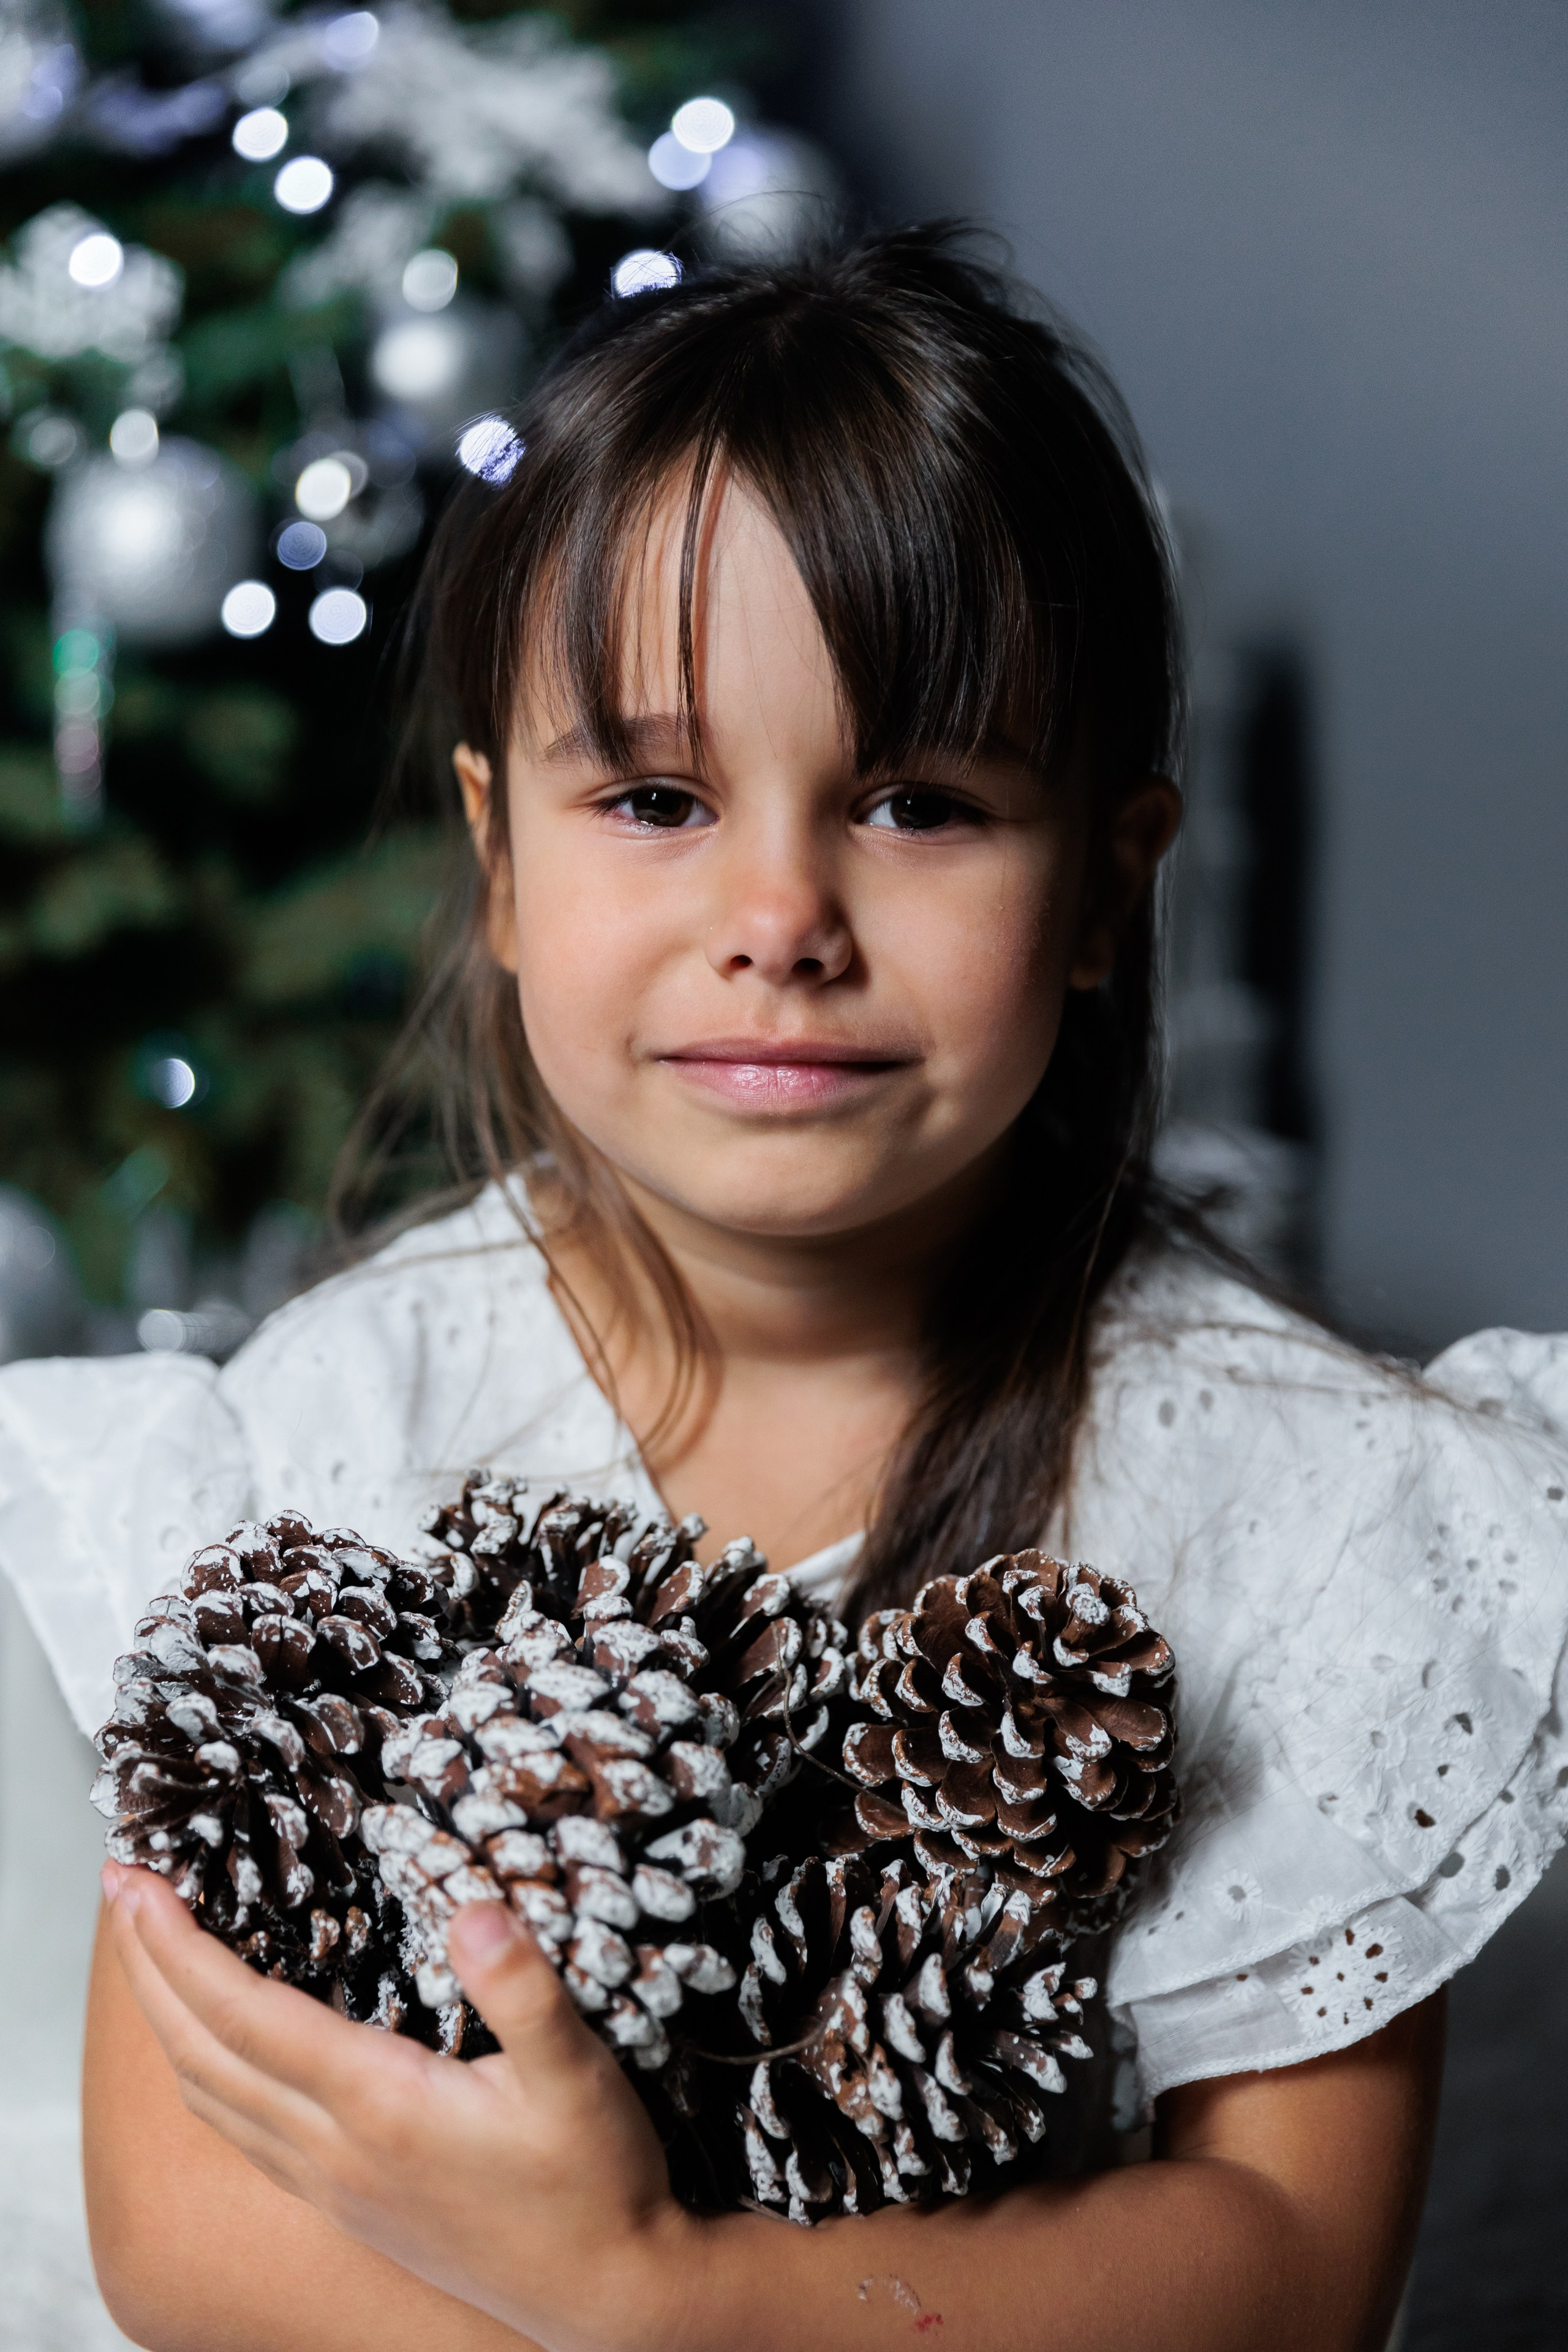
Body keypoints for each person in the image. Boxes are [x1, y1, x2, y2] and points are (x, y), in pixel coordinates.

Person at [1, 224, 1565, 2352]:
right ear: (502, 861)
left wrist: (670, 2301)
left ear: (1106, 890)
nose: (779, 916)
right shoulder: (346, 1425)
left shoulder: (1307, 1508)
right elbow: (181, 2219)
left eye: (920, 803)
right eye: (656, 798)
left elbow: (1284, 2272)